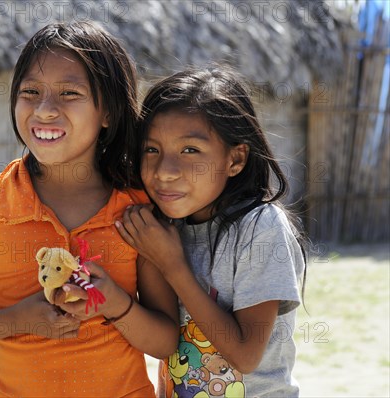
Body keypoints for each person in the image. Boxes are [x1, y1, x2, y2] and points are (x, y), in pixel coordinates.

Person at [0, 21, 178, 397]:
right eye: (30, 91)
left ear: (107, 112)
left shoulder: (136, 211)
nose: (45, 110)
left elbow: (165, 342)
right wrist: (15, 320)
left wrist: (115, 304)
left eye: (69, 93)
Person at [116, 66, 307, 397]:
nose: (165, 171)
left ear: (235, 158)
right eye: (152, 149)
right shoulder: (164, 227)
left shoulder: (260, 228)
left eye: (190, 150)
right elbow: (162, 341)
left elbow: (246, 355)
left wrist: (172, 265)